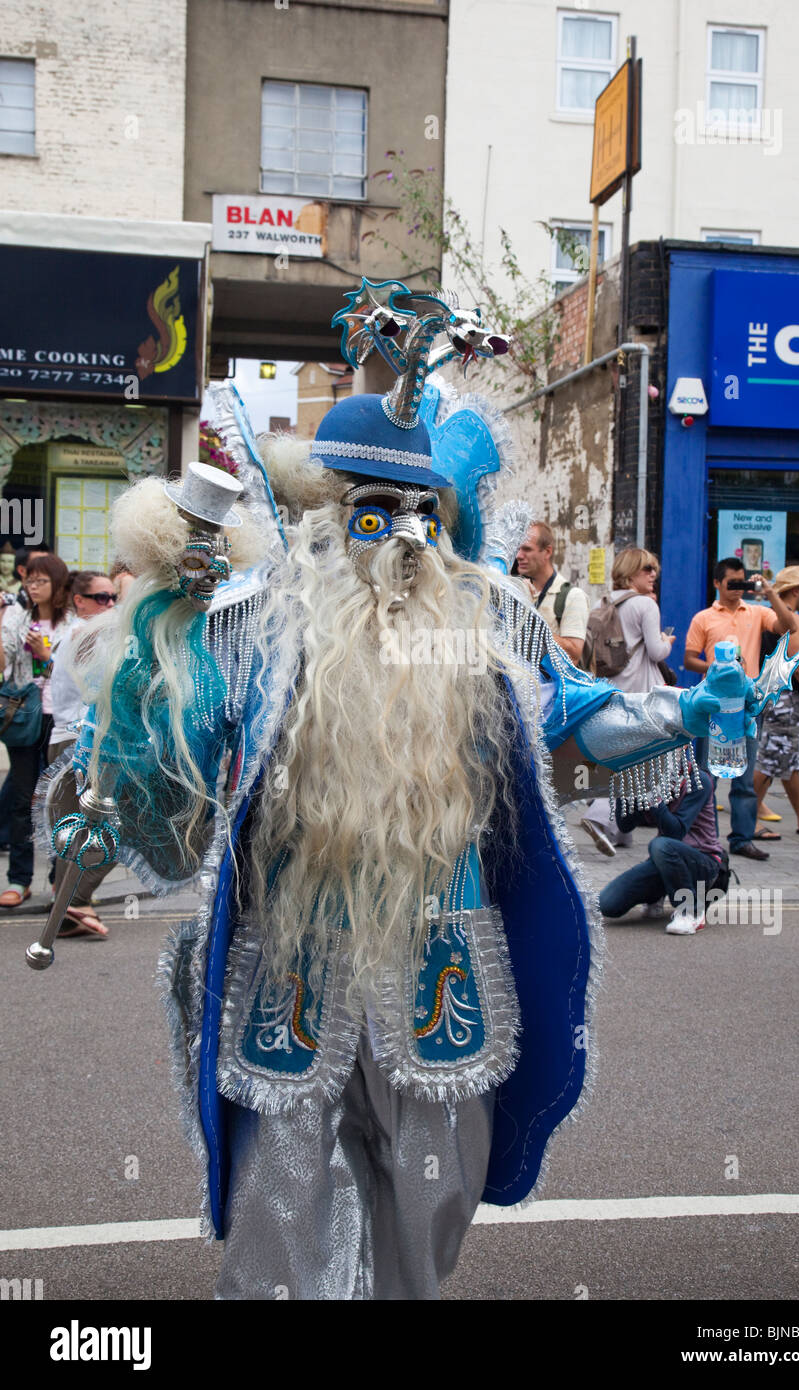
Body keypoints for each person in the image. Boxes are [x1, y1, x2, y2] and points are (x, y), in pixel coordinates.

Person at [40, 284, 733, 1300]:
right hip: (294, 964)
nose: (405, 536)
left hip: (438, 965)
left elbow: (575, 731)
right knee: (279, 1206)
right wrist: (154, 665)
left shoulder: (489, 632)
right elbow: (163, 775)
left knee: (428, 1207)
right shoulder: (256, 627)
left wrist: (685, 713)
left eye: (423, 513)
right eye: (377, 509)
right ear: (329, 516)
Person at [684, 558, 797, 862]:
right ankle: (704, 838)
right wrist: (719, 669)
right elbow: (689, 659)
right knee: (708, 775)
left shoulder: (757, 612)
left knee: (744, 776)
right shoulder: (703, 618)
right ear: (717, 583)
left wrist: (770, 592)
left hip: (747, 704)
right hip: (714, 706)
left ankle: (742, 838)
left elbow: (789, 626)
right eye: (731, 583)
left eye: (742, 582)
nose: (737, 589)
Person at [578, 547, 675, 856]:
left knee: (623, 755)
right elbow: (657, 652)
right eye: (648, 569)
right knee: (636, 759)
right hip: (640, 693)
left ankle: (621, 832)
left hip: (611, 689)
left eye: (654, 569)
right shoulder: (646, 604)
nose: (653, 575)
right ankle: (599, 816)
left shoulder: (603, 602)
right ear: (632, 572)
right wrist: (667, 641)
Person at [46, 572, 119, 937]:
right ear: (79, 600)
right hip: (79, 743)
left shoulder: (77, 631)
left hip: (73, 740)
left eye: (113, 598)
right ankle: (76, 899)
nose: (110, 605)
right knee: (115, 825)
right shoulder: (86, 633)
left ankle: (66, 909)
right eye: (102, 597)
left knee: (75, 830)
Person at [0, 552, 75, 908]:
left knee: (59, 802)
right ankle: (19, 879)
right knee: (21, 800)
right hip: (24, 717)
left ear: (57, 584)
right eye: (29, 580)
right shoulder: (17, 616)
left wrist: (47, 657)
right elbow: (3, 663)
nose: (32, 587)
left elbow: (77, 671)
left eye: (40, 581)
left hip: (60, 722)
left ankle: (59, 880)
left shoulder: (72, 623)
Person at [598, 769, 724, 934]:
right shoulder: (652, 776)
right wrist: (625, 789)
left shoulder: (698, 780)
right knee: (607, 904)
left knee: (660, 845)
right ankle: (656, 895)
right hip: (665, 860)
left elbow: (676, 832)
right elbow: (625, 825)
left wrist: (652, 796)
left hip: (704, 862)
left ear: (683, 747)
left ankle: (691, 911)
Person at [752, 565, 799, 840]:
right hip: (784, 697)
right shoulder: (794, 621)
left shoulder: (770, 618)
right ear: (796, 591)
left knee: (788, 757)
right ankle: (749, 814)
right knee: (771, 758)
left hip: (771, 695)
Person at [516, 520, 589, 665]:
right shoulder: (519, 591)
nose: (518, 555)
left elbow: (573, 655)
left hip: (553, 686)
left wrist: (527, 619)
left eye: (527, 549)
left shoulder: (572, 596)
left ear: (547, 552)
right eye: (518, 549)